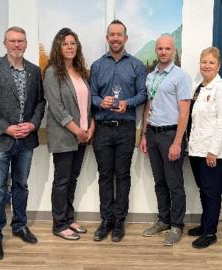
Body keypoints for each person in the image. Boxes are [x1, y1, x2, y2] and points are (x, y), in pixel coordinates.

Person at [0, 26, 45, 260]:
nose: (17, 45)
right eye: (12, 41)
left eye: (21, 41)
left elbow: (40, 103)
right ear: (4, 43)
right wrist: (5, 127)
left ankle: (19, 225)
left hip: (25, 141)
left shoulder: (34, 72)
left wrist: (33, 124)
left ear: (25, 44)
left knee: (21, 186)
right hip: (0, 141)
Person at [90, 19, 147, 242]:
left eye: (119, 34)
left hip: (125, 129)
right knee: (105, 176)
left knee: (122, 176)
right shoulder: (97, 66)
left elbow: (143, 93)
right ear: (107, 38)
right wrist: (99, 102)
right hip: (102, 130)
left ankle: (119, 221)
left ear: (125, 37)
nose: (115, 38)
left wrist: (129, 102)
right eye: (111, 35)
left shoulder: (136, 65)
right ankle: (106, 220)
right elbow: (92, 95)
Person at [139, 35, 192, 246]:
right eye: (159, 48)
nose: (163, 52)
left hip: (171, 135)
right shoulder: (151, 76)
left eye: (167, 48)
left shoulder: (181, 76)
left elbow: (184, 111)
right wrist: (144, 134)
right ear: (156, 51)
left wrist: (178, 142)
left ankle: (177, 225)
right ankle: (164, 219)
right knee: (159, 181)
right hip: (152, 134)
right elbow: (148, 106)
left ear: (173, 51)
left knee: (174, 183)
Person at [43, 28, 95, 241]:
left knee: (72, 179)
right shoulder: (52, 72)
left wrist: (91, 127)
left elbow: (87, 105)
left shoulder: (81, 71)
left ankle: (68, 218)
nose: (70, 47)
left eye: (73, 43)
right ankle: (59, 224)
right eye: (65, 43)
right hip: (65, 136)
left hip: (83, 135)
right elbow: (56, 107)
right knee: (62, 181)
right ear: (58, 47)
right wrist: (77, 131)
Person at [187, 47, 222, 249]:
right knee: (203, 189)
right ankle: (205, 224)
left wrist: (213, 150)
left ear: (218, 66)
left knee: (211, 191)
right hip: (196, 149)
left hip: (213, 152)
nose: (206, 66)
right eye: (204, 62)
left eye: (211, 62)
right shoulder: (198, 87)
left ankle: (210, 233)